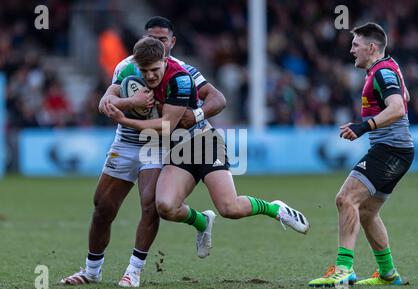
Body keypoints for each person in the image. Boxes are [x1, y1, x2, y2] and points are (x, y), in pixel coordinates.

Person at [105, 37, 310, 276]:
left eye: (154, 70)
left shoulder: (180, 78)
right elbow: (105, 101)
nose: (149, 76)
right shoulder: (131, 72)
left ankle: (274, 208)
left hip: (204, 143)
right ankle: (202, 221)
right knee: (165, 207)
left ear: (164, 60)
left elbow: (168, 125)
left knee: (229, 208)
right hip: (178, 151)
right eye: (144, 71)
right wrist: (127, 101)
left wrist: (124, 118)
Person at [60, 17, 226, 287]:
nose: (157, 43)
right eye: (152, 38)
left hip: (158, 144)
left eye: (163, 39)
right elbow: (105, 102)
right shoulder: (127, 67)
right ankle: (92, 271)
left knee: (150, 205)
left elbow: (216, 99)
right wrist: (130, 102)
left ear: (171, 42)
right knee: (103, 207)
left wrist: (193, 116)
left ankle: (133, 270)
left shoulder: (184, 72)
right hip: (125, 143)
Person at [308, 23, 414, 287]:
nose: (351, 49)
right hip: (396, 150)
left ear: (371, 47)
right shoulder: (386, 68)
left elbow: (399, 106)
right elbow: (406, 95)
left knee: (345, 199)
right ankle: (388, 273)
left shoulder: (382, 72)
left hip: (391, 150)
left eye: (355, 45)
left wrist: (363, 127)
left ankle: (343, 270)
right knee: (366, 211)